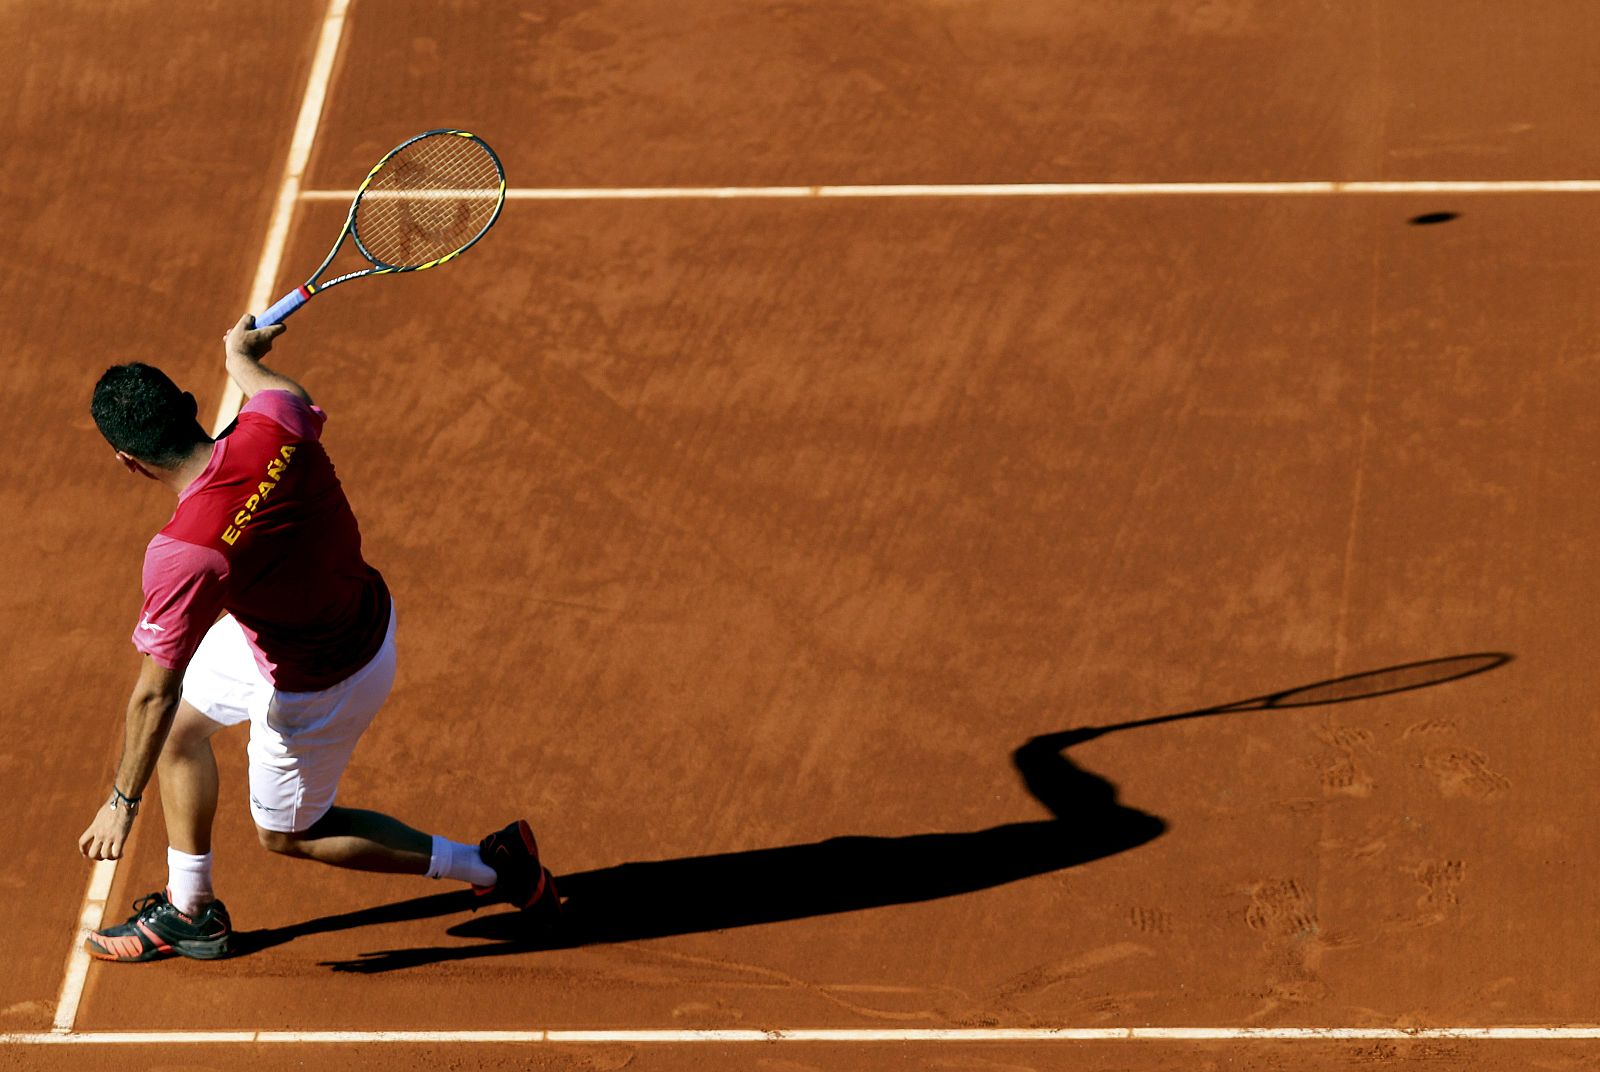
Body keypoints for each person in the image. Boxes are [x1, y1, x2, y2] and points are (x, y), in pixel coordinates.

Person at [77, 315, 556, 962]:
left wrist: (121, 804)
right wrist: (241, 360)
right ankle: (192, 912)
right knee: (178, 736)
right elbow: (283, 392)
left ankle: (494, 867)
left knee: (290, 833)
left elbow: (151, 696)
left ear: (128, 463)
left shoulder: (184, 552)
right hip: (344, 616)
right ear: (190, 405)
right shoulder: (278, 421)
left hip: (324, 680)